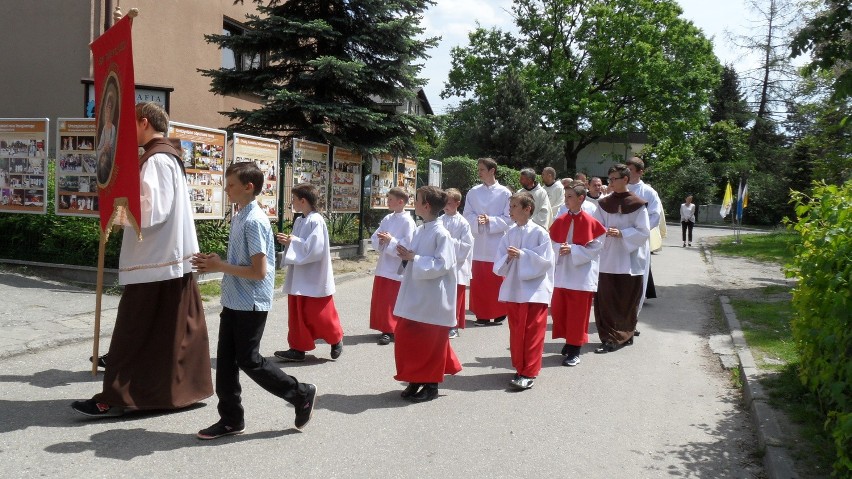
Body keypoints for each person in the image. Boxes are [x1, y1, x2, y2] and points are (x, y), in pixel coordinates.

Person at [72, 102, 213, 417]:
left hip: (156, 262)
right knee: (169, 334)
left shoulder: (157, 160)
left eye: (129, 125)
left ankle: (116, 396)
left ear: (144, 122)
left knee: (133, 333)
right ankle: (176, 393)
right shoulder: (164, 157)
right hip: (164, 260)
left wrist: (112, 211)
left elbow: (152, 211)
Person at [192, 162, 316, 439]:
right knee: (225, 363)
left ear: (248, 187)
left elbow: (259, 272)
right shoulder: (240, 215)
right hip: (234, 299)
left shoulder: (254, 221)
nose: (226, 190)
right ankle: (231, 420)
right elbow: (240, 262)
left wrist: (220, 267)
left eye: (231, 185)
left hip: (251, 303)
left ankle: (300, 393)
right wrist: (217, 262)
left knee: (249, 360)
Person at [393, 186, 462, 402]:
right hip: (416, 294)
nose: (413, 202)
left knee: (429, 342)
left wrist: (414, 258)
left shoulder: (441, 234)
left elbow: (443, 264)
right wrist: (406, 256)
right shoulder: (421, 229)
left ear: (426, 206)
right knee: (408, 337)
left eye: (417, 199)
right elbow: (415, 257)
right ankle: (415, 378)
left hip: (433, 297)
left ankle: (431, 385)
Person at [274, 184, 344, 362]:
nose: (292, 203)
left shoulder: (316, 220)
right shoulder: (300, 220)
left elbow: (315, 249)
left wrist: (292, 241)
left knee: (319, 314)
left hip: (313, 275)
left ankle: (336, 338)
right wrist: (290, 242)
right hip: (299, 274)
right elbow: (301, 245)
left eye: (294, 199)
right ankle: (298, 348)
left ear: (303, 200)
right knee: (297, 313)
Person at [493, 191, 554, 390]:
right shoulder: (509, 233)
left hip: (535, 291)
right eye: (510, 207)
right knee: (517, 332)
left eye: (514, 207)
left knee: (533, 333)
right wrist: (509, 258)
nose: (510, 211)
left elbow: (545, 262)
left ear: (527, 209)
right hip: (514, 289)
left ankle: (529, 372)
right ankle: (520, 367)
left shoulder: (540, 233)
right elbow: (498, 263)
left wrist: (523, 255)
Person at [592, 164, 650, 353]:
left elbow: (643, 231)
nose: (610, 183)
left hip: (628, 260)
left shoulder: (638, 204)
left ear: (625, 180)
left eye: (614, 179)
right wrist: (604, 232)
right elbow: (595, 226)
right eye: (610, 179)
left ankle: (625, 334)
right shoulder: (603, 203)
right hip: (608, 258)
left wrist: (623, 234)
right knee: (606, 301)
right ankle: (610, 337)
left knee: (626, 301)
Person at [549, 183, 606, 367]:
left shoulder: (591, 222)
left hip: (581, 275)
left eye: (570, 197)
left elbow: (596, 246)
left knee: (577, 315)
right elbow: (550, 243)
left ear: (581, 198)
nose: (565, 200)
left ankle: (575, 350)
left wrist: (573, 250)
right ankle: (569, 341)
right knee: (560, 311)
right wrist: (560, 248)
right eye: (565, 196)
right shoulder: (560, 219)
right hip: (563, 273)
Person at [463, 158, 512, 326]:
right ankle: (481, 314)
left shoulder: (505, 193)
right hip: (478, 241)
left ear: (492, 171)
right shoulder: (473, 192)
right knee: (479, 280)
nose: (479, 172)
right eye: (479, 169)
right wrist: (477, 220)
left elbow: (510, 217)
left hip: (496, 242)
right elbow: (466, 215)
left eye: (482, 169)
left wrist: (490, 220)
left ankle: (499, 312)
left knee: (496, 277)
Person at [369, 187, 416, 345]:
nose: (387, 202)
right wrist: (381, 240)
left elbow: (409, 244)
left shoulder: (408, 221)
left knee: (392, 299)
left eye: (390, 199)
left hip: (397, 267)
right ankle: (383, 326)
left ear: (400, 202)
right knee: (382, 299)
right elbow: (376, 235)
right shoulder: (388, 218)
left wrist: (391, 240)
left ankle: (390, 329)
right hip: (384, 265)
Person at [626, 157, 662, 305]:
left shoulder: (648, 192)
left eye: (631, 170)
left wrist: (638, 232)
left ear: (640, 172)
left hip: (638, 240)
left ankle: (633, 312)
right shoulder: (620, 188)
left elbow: (655, 215)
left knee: (637, 276)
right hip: (618, 240)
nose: (627, 173)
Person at [439, 188, 474, 338]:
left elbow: (466, 245)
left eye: (449, 203)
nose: (445, 206)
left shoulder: (463, 223)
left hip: (457, 266)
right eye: (444, 203)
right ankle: (441, 323)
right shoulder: (440, 220)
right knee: (442, 296)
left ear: (457, 203)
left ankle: (454, 325)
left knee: (455, 298)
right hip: (442, 264)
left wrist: (448, 242)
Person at [95, 93, 117, 186]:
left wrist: (107, 147)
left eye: (110, 107)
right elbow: (101, 143)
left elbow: (112, 142)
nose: (107, 110)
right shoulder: (104, 127)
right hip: (104, 149)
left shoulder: (112, 127)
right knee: (100, 160)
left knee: (105, 163)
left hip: (109, 152)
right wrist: (101, 149)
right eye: (107, 107)